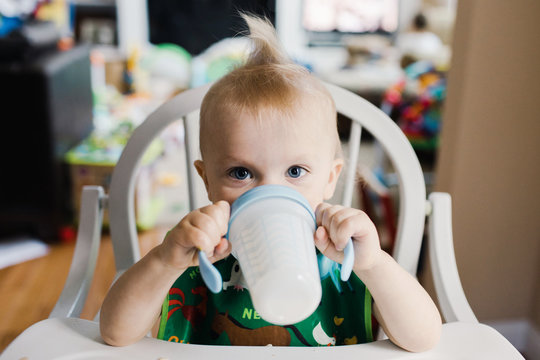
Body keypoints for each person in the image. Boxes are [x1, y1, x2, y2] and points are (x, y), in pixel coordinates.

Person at [100, 14, 441, 351]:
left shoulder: (346, 256)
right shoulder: (193, 250)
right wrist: (163, 261)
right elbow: (116, 334)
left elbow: (423, 339)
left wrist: (374, 264)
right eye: (241, 173)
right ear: (206, 179)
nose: (268, 193)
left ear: (330, 179)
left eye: (295, 172)